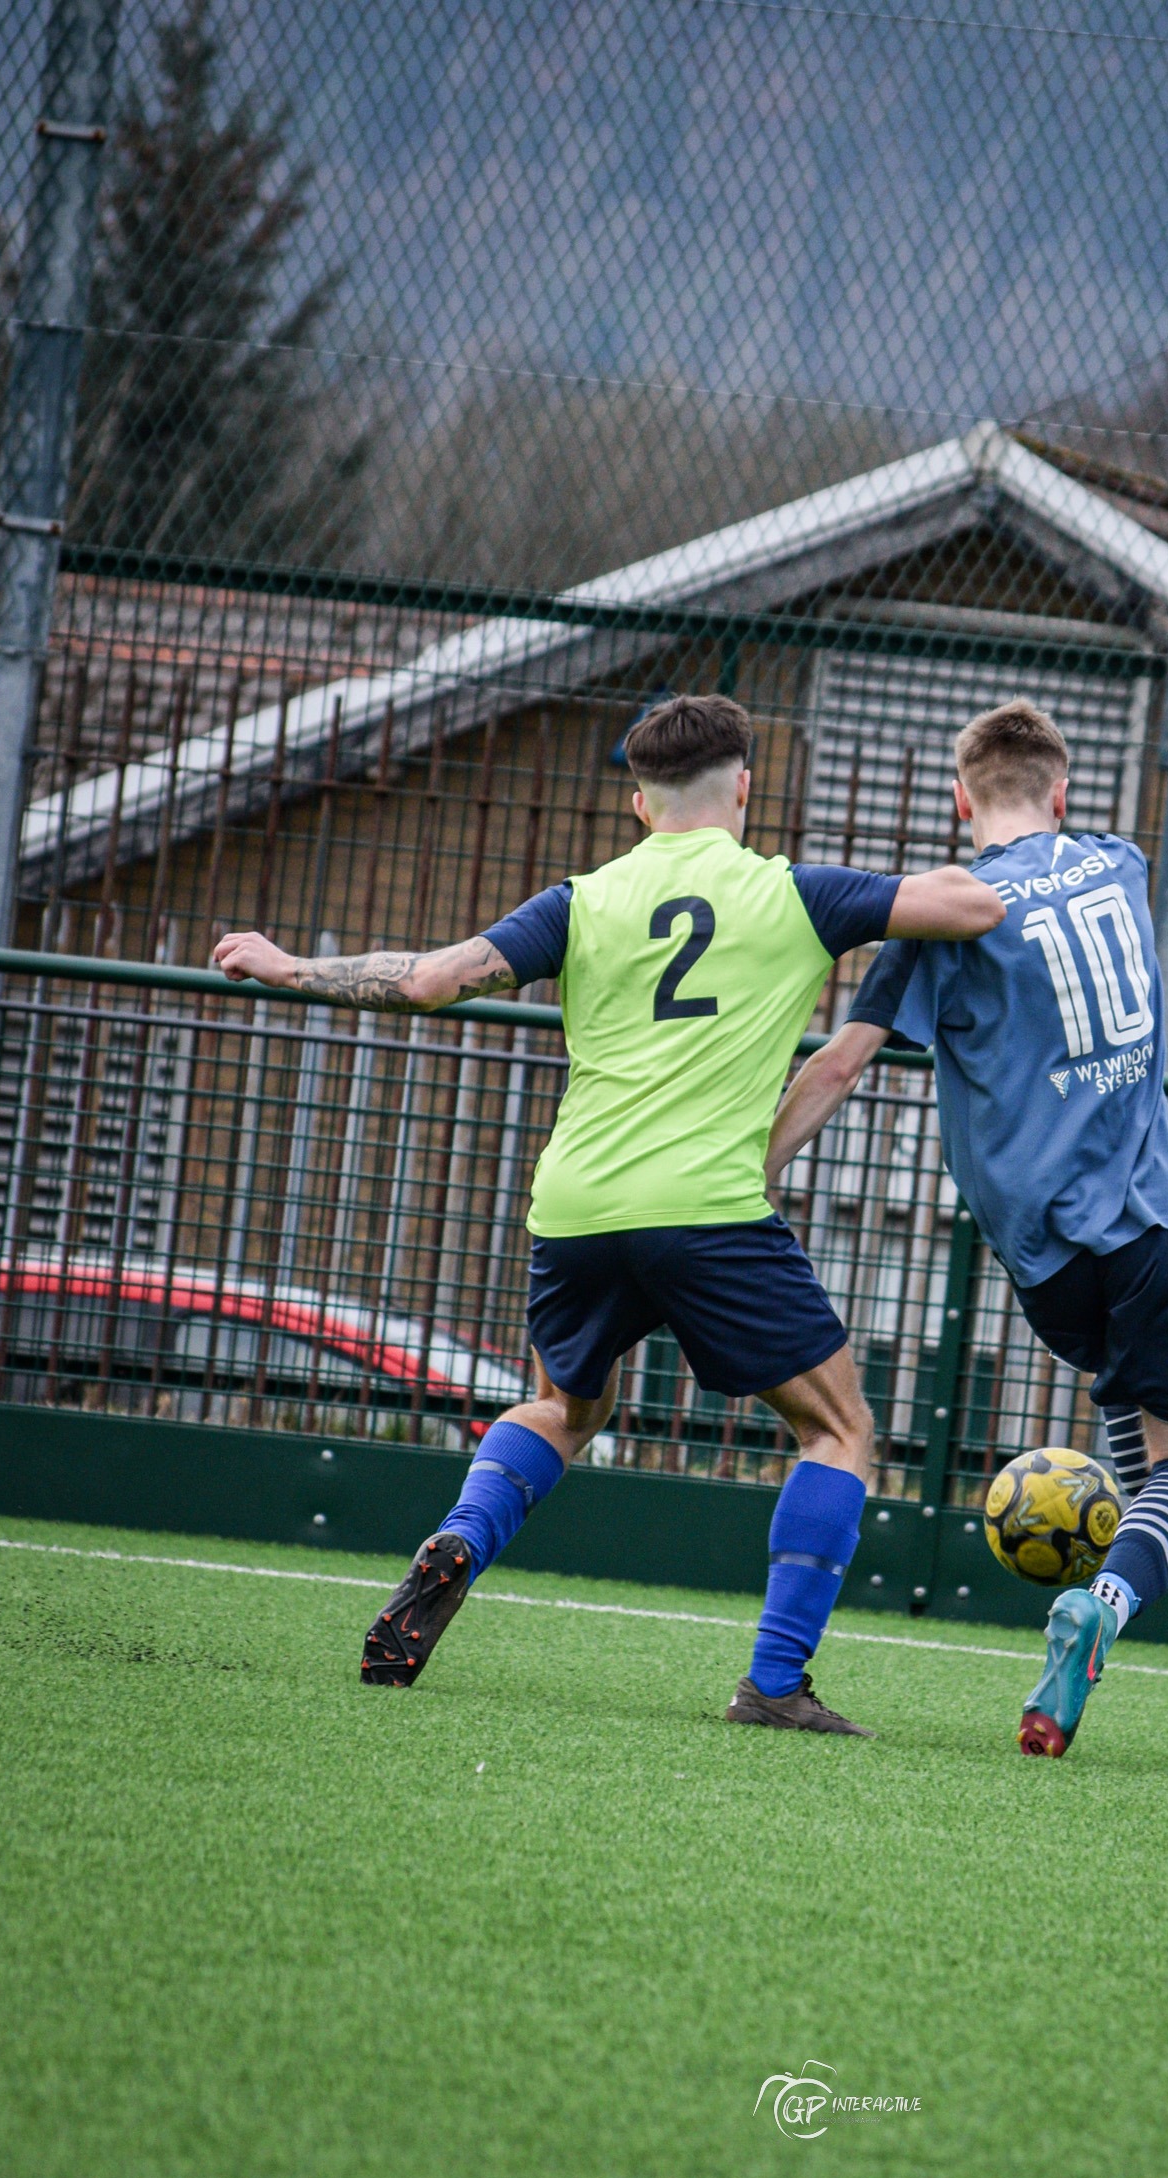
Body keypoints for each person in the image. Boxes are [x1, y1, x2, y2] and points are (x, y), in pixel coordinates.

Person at [213, 693, 1003, 1733]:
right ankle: (773, 1683)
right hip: (707, 1206)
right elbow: (971, 909)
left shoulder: (581, 900)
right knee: (839, 1427)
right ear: (745, 787)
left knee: (565, 1408)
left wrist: (285, 965)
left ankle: (458, 1537)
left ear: (637, 802)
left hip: (576, 1204)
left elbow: (437, 980)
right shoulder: (798, 894)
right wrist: (989, 841)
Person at [764, 699, 1168, 1757]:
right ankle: (1100, 1607)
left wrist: (747, 1173)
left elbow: (837, 1064)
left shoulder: (941, 917)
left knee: (1126, 1410)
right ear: (1062, 794)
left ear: (957, 800)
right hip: (1149, 1215)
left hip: (1040, 1254)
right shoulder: (1118, 860)